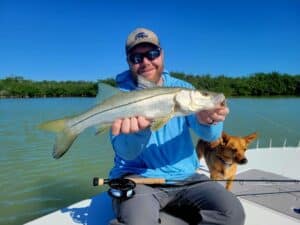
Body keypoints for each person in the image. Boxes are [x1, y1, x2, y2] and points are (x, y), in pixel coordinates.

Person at [105, 28, 245, 225]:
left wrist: (210, 121)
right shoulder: (118, 98)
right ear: (128, 61)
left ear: (162, 54)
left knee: (233, 214)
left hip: (186, 178)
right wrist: (138, 133)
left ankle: (162, 219)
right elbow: (125, 152)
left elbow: (211, 136)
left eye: (152, 54)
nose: (146, 61)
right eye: (137, 57)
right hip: (138, 179)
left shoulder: (184, 89)